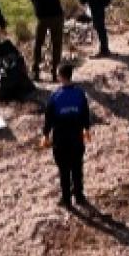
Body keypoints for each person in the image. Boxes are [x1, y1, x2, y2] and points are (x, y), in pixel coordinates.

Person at [43, 64, 91, 209]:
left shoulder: (55, 96)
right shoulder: (80, 94)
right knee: (77, 167)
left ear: (60, 76)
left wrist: (45, 135)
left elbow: (48, 119)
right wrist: (86, 129)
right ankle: (79, 195)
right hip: (76, 137)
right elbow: (85, 114)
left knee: (64, 170)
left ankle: (66, 200)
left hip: (61, 139)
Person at [28, 0, 71, 82]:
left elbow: (33, 0)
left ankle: (35, 71)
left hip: (42, 18)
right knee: (56, 44)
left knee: (38, 44)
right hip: (56, 16)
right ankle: (55, 73)